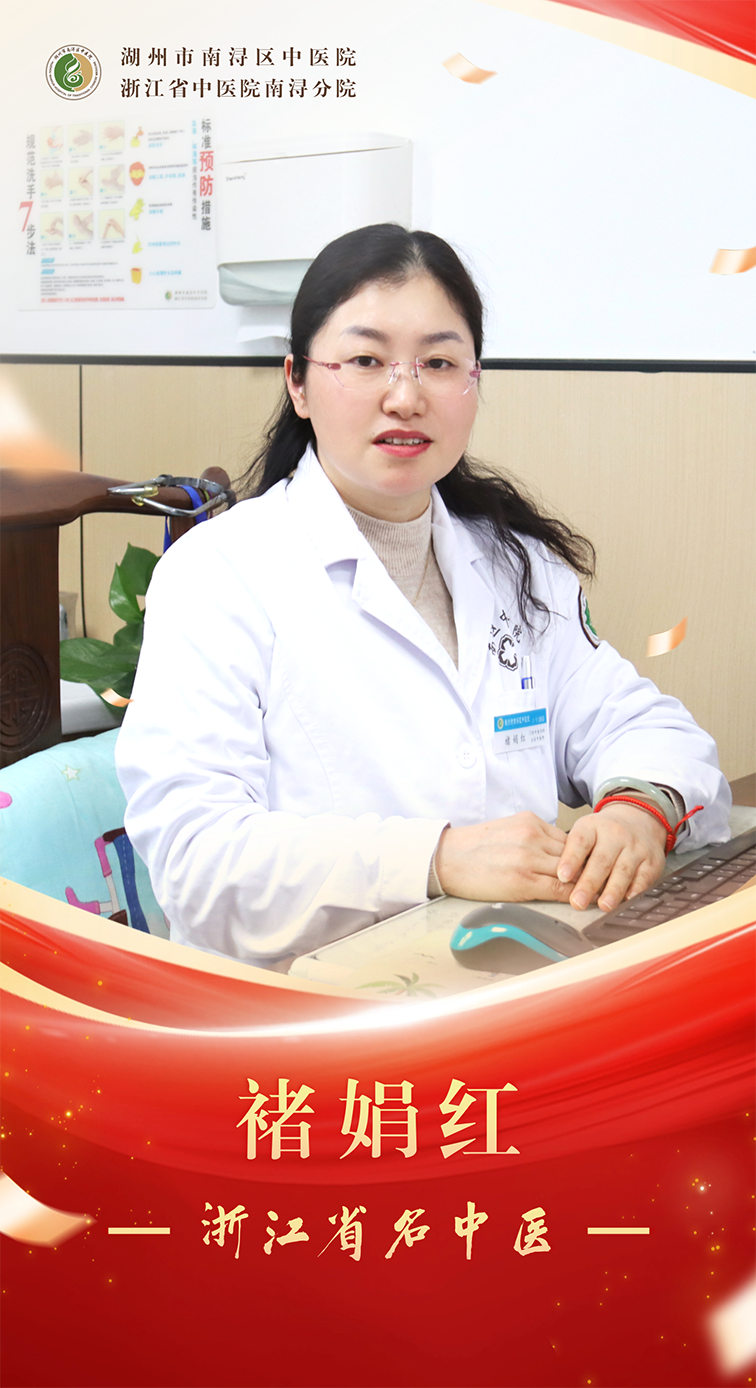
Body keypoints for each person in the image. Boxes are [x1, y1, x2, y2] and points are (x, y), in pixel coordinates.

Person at [116, 224, 731, 971]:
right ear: (298, 383)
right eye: (366, 361)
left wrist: (638, 810)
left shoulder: (516, 566)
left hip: (509, 977)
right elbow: (197, 860)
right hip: (303, 1006)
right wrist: (435, 859)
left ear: (474, 381)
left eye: (439, 363)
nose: (405, 397)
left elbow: (642, 725)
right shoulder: (220, 573)